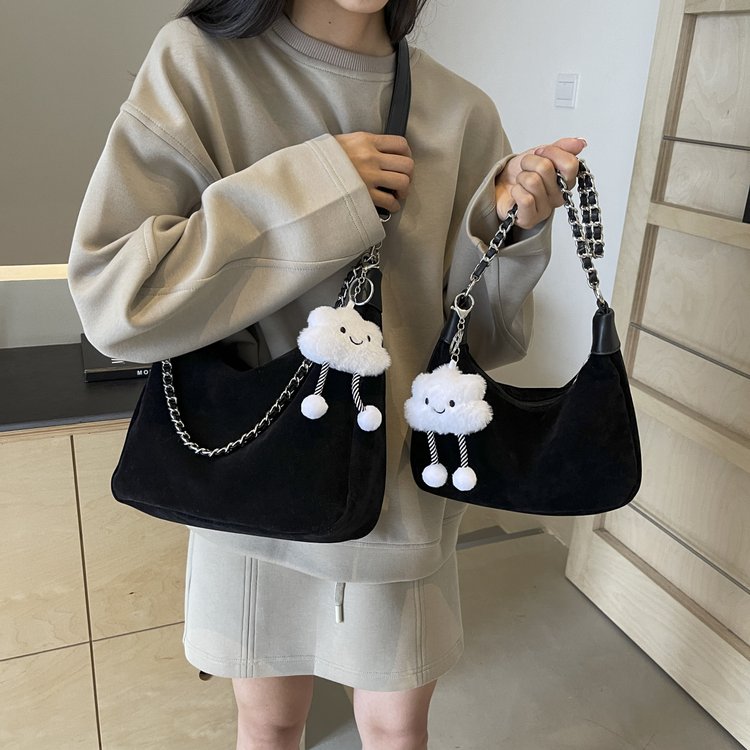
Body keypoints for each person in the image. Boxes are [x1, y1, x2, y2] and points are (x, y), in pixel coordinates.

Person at [68, 1, 582, 748]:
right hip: (250, 490)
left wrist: (508, 231)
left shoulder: (461, 112)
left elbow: (484, 344)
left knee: (395, 730)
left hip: (395, 500)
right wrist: (319, 189)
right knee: (268, 723)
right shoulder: (200, 65)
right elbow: (118, 302)